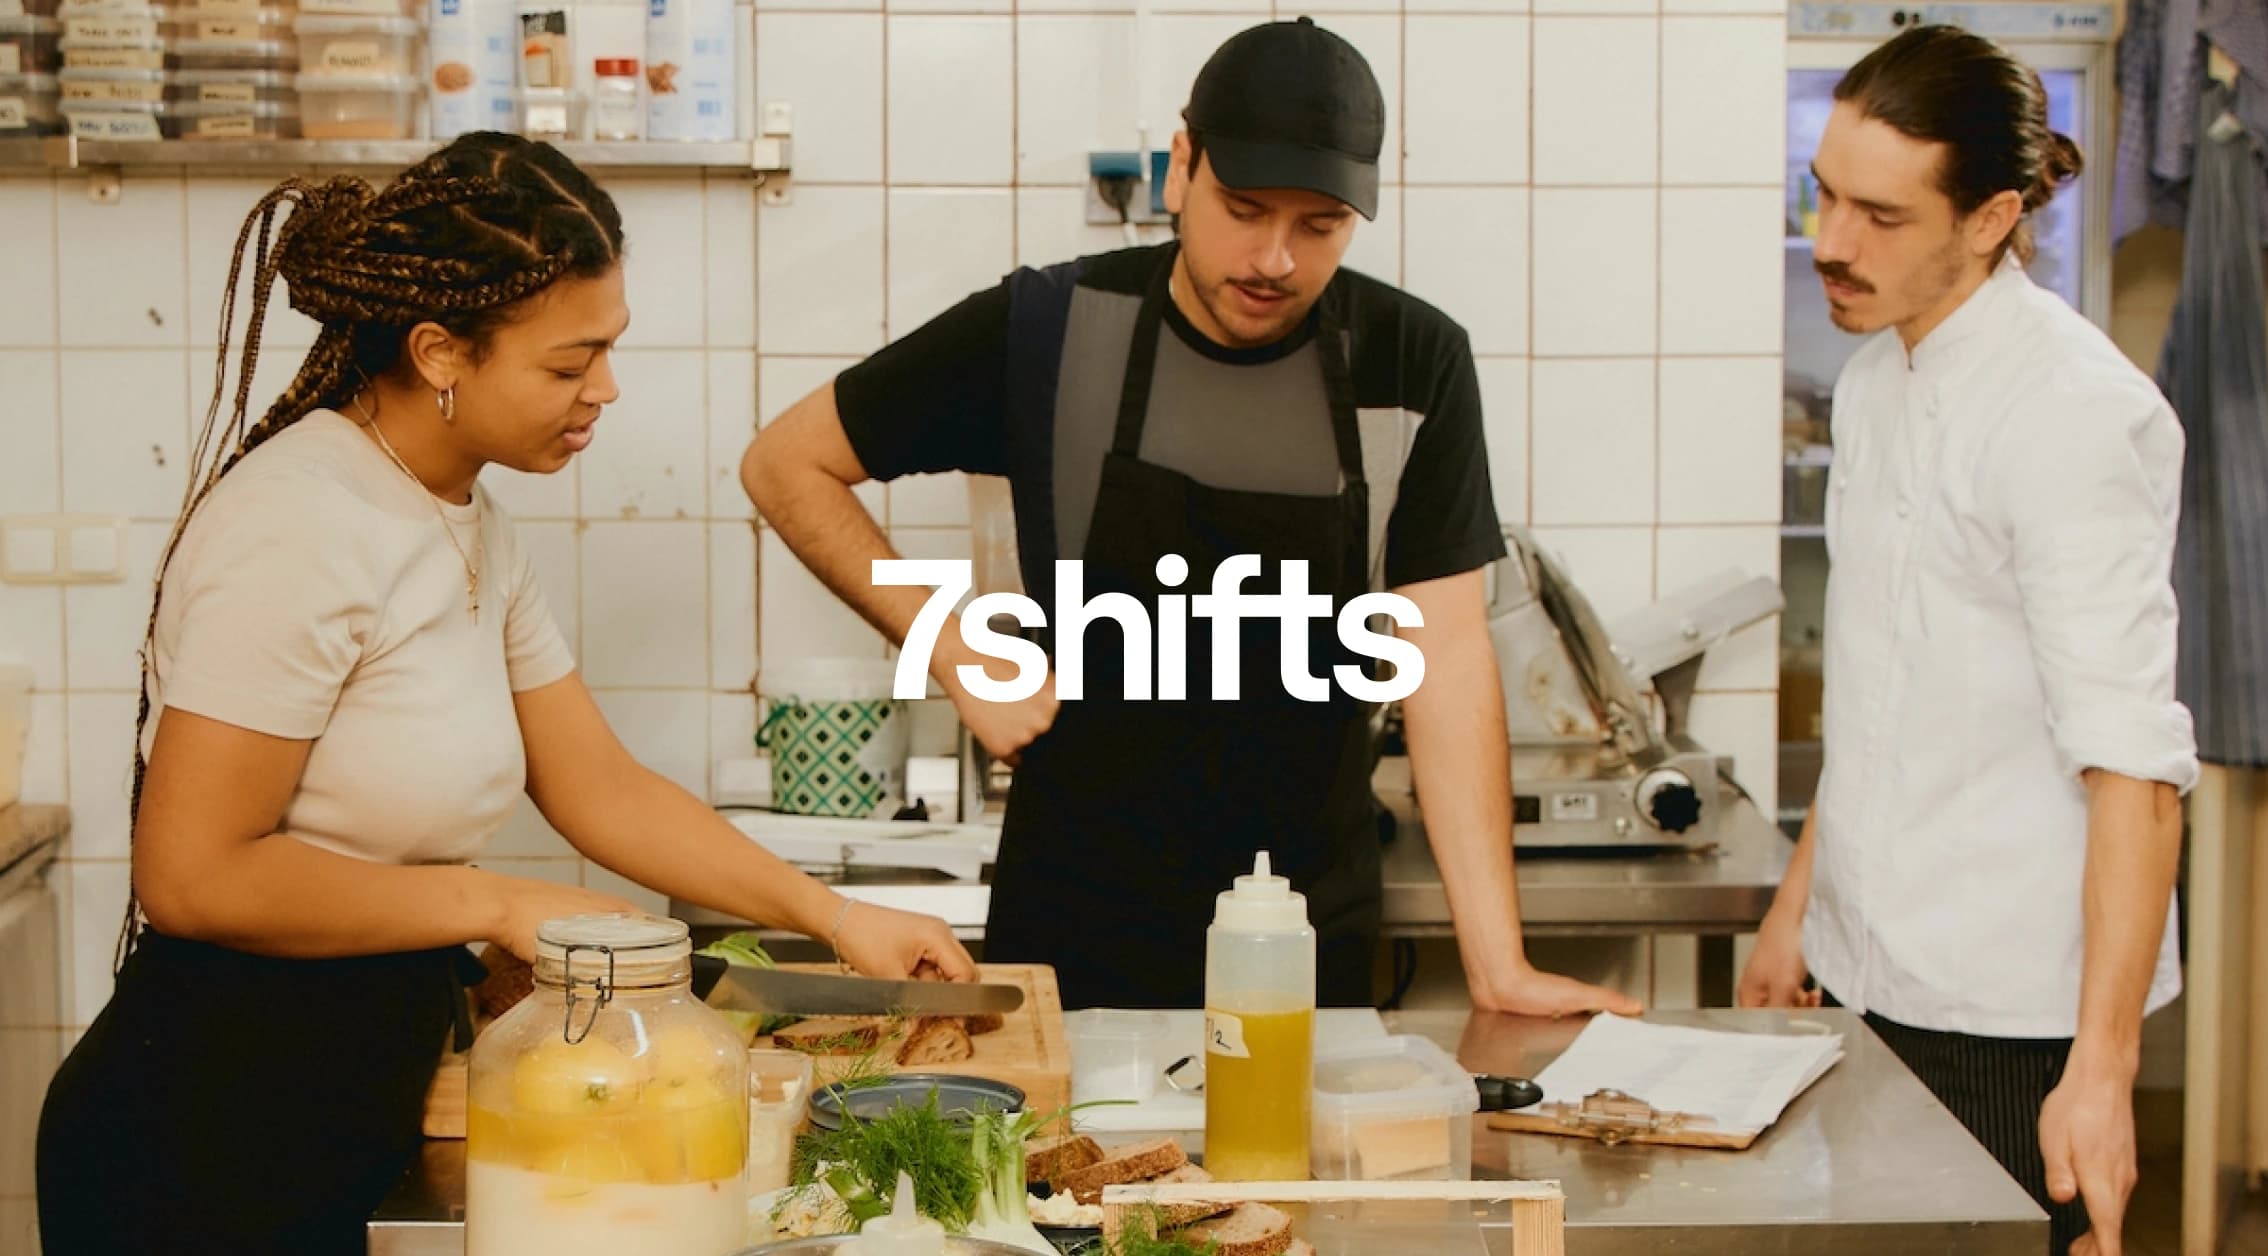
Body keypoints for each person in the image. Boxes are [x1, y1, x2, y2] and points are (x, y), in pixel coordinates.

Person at [36, 132, 974, 1256]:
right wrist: (491, 901)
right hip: (202, 1129)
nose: (605, 390)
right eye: (570, 363)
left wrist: (835, 915)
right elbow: (191, 871)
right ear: (440, 351)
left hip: (344, 1093)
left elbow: (600, 784)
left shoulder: (466, 517)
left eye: (609, 353)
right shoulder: (299, 519)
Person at [741, 17, 1641, 1018]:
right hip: (1078, 928)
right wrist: (955, 649)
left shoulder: (1411, 363)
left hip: (1305, 934)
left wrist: (1498, 966)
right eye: (1244, 207)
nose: (1274, 258)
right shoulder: (1050, 332)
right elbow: (787, 463)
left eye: (1319, 226)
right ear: (1182, 168)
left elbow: (1450, 657)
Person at [1737, 27, 2196, 1256]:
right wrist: (1798, 905)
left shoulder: (2076, 417)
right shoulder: (1881, 376)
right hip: (1867, 970)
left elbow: (2138, 775)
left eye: (1879, 215)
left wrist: (2102, 1070)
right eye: (1824, 194)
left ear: (1992, 218)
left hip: (2013, 1012)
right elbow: (1888, 680)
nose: (1832, 241)